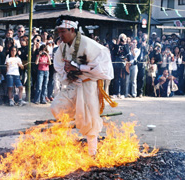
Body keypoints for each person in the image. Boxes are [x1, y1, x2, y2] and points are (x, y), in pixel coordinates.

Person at [50, 15, 115, 156]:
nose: (60, 35)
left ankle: (92, 154)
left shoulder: (88, 44)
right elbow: (59, 65)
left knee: (90, 121)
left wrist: (79, 68)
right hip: (73, 85)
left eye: (63, 31)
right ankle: (68, 143)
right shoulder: (62, 47)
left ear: (72, 29)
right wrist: (68, 72)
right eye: (58, 32)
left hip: (89, 86)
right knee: (57, 108)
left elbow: (105, 68)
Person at [111, 33, 129, 99]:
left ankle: (122, 93)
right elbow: (114, 53)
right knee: (116, 78)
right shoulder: (117, 46)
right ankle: (115, 93)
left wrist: (124, 44)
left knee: (123, 79)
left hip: (123, 63)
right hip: (117, 62)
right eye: (121, 38)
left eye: (123, 38)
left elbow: (127, 52)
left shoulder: (126, 45)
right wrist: (117, 44)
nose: (122, 40)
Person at [137, 33, 149, 98]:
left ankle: (140, 92)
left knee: (141, 77)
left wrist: (144, 46)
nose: (144, 38)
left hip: (143, 62)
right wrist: (140, 44)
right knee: (136, 77)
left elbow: (147, 52)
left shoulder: (147, 45)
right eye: (143, 37)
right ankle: (135, 92)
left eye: (145, 37)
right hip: (137, 62)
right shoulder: (138, 44)